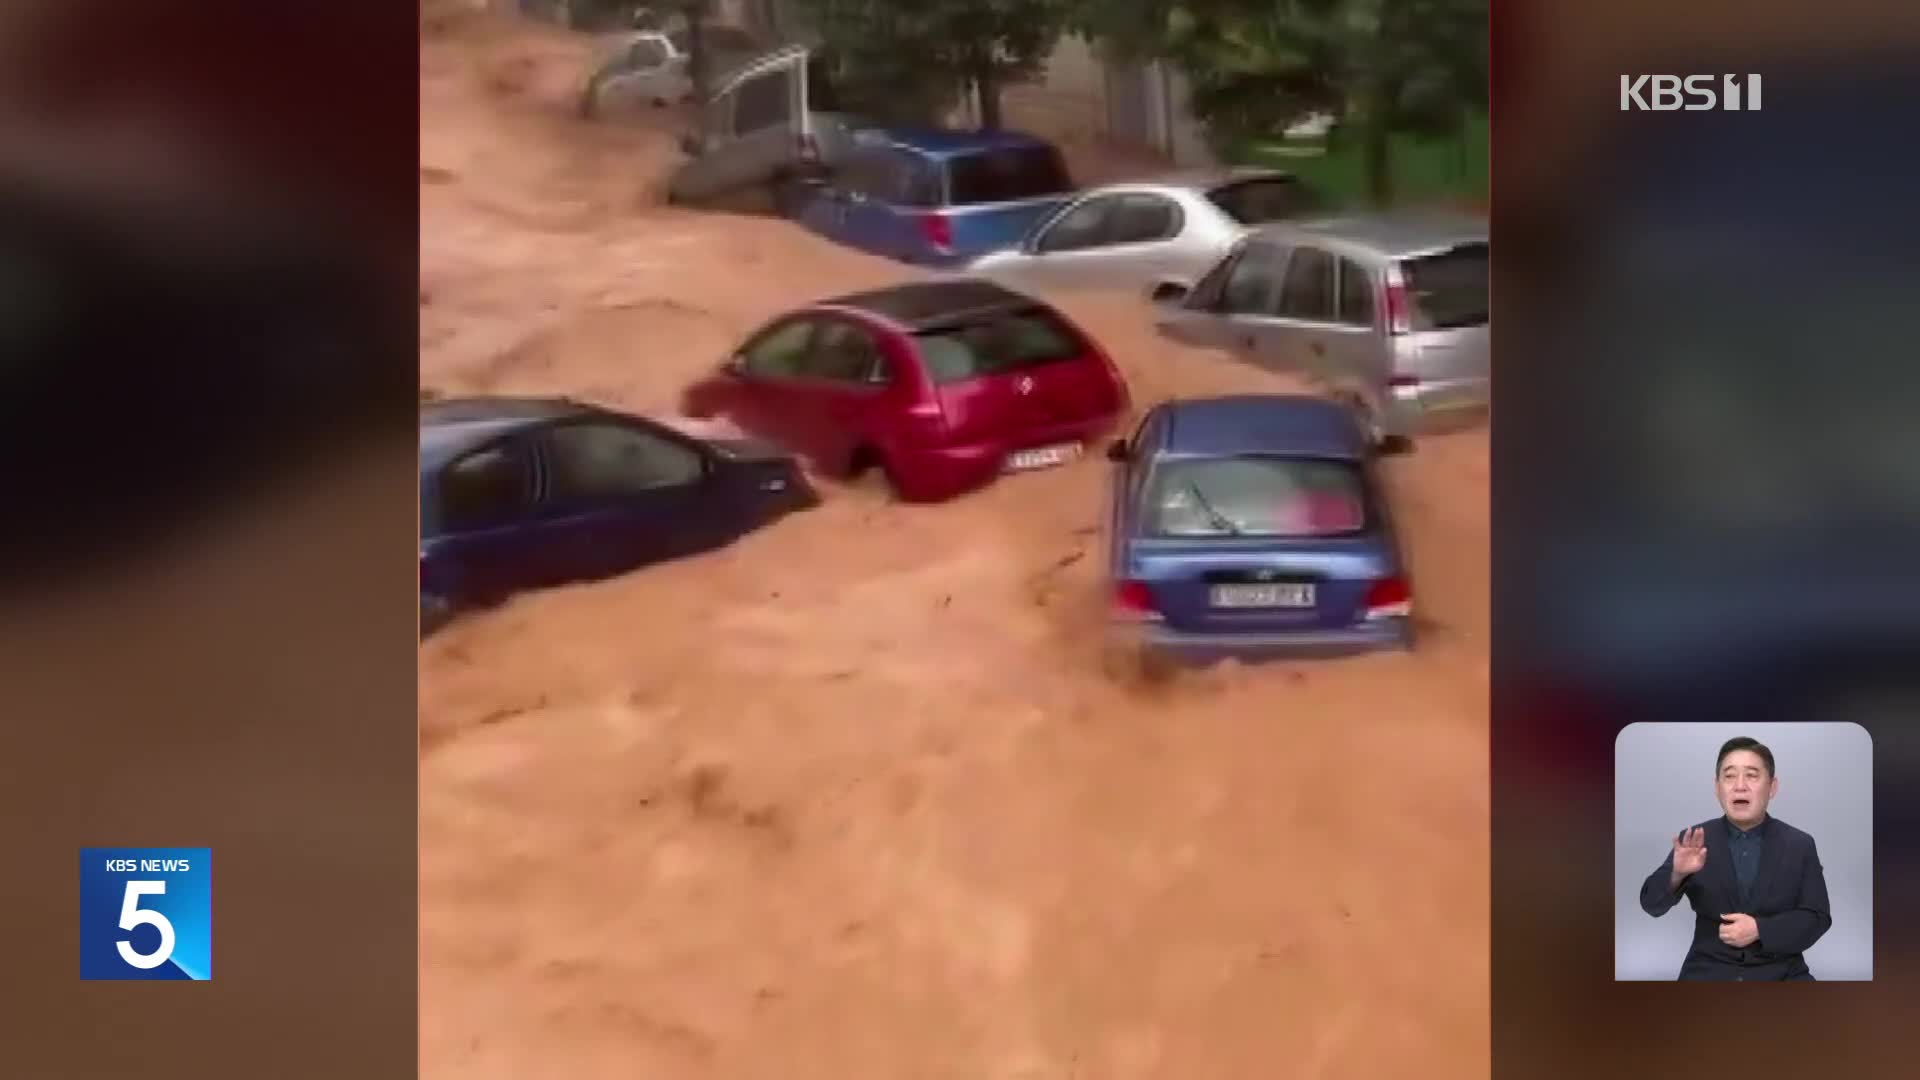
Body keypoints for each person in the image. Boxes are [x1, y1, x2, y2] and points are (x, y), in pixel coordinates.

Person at [1639, 736, 1832, 980]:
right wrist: (1677, 875)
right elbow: (1651, 905)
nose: (1740, 785)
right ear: (1717, 787)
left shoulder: (1800, 844)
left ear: (1772, 787)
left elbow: (1817, 917)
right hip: (1708, 971)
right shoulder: (1694, 841)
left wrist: (1761, 930)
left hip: (1781, 971)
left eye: (1752, 775)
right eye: (1729, 776)